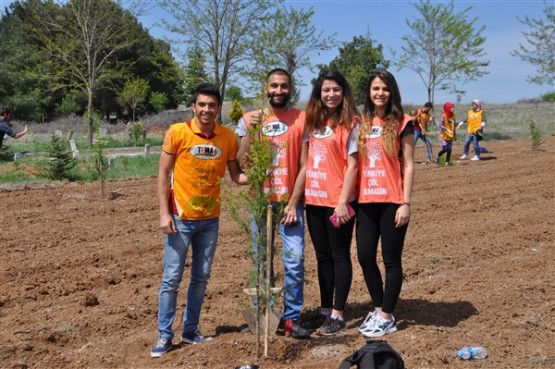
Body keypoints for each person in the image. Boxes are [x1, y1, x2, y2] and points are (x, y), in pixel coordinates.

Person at [152, 83, 248, 358]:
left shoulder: (228, 137)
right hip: (180, 219)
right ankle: (165, 335)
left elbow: (236, 176)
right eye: (202, 105)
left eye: (212, 105)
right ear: (194, 107)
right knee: (171, 278)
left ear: (219, 108)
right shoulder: (178, 133)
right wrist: (163, 213)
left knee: (201, 277)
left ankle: (191, 331)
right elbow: (162, 174)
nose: (207, 110)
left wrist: (265, 177)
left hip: (210, 220)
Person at [236, 68, 310, 339]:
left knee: (294, 261)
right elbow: (241, 162)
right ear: (266, 88)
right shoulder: (249, 119)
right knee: (261, 262)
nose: (279, 91)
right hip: (260, 203)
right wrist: (251, 132)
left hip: (289, 205)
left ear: (291, 89)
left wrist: (293, 203)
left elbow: (304, 165)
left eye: (284, 86)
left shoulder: (302, 120)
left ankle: (291, 318)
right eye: (274, 86)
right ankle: (263, 316)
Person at [355, 69, 414, 337]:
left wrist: (405, 203)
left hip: (392, 200)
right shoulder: (361, 122)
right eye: (375, 88)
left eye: (385, 89)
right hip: (366, 200)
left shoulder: (404, 122)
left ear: (392, 92)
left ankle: (387, 316)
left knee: (391, 260)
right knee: (365, 256)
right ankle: (379, 309)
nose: (380, 93)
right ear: (369, 92)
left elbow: (410, 166)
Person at [302, 71, 359, 336]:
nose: (331, 95)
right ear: (318, 93)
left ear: (344, 92)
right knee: (322, 256)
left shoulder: (352, 123)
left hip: (339, 201)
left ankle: (338, 313)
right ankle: (324, 310)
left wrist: (342, 201)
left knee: (339, 255)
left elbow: (353, 166)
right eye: (326, 90)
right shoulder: (312, 121)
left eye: (336, 89)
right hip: (314, 199)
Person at [437, 102, 457, 166]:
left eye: (453, 107)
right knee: (445, 149)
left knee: (449, 149)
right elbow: (440, 125)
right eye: (451, 107)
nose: (453, 108)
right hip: (443, 135)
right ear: (448, 108)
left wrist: (455, 134)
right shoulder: (443, 115)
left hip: (450, 135)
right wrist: (446, 129)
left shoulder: (453, 115)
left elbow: (454, 125)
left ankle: (447, 162)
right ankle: (439, 156)